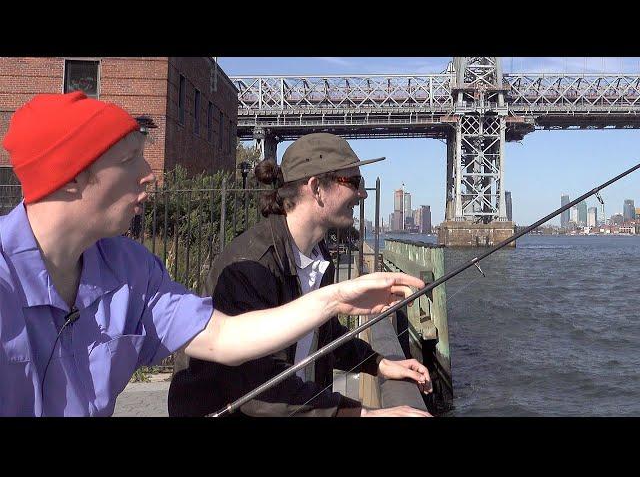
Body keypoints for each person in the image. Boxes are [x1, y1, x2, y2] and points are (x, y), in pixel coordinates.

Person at [0, 93, 425, 417]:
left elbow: (224, 337)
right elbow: (254, 387)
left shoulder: (131, 269)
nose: (148, 173)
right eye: (130, 159)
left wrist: (335, 299)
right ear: (72, 177)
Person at [168, 133, 432, 417]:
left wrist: (378, 362)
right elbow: (260, 390)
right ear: (316, 187)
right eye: (354, 182)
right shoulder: (252, 266)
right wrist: (363, 413)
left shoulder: (317, 256)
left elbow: (325, 335)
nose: (362, 194)